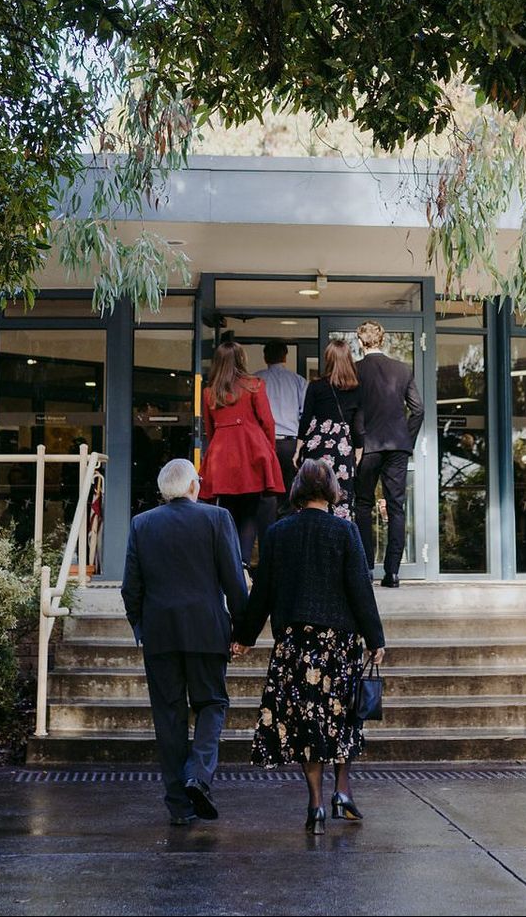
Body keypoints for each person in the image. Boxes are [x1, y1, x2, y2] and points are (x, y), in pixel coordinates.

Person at [232, 459, 386, 834]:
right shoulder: (345, 531)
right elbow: (359, 590)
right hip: (337, 644)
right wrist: (375, 638)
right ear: (332, 490)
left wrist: (245, 637)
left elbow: (263, 592)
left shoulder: (279, 533)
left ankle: (316, 803)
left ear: (298, 489)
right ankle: (344, 791)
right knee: (343, 718)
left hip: (295, 645)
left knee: (307, 724)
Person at [121, 458, 249, 826]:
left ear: (164, 491)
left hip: (160, 634)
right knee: (212, 703)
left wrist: (141, 627)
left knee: (168, 715)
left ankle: (179, 804)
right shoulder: (216, 518)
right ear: (195, 486)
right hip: (207, 630)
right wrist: (242, 632)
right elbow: (233, 582)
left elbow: (132, 587)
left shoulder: (141, 524)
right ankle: (198, 773)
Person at [349, 321, 423, 588]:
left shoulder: (356, 371)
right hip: (397, 446)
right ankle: (392, 572)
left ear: (360, 342)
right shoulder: (402, 369)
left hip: (367, 446)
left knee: (363, 504)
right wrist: (407, 439)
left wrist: (358, 443)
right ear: (382, 341)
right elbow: (419, 410)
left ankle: (366, 568)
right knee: (396, 507)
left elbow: (355, 412)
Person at [200, 342, 285, 566]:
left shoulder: (209, 392)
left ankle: (231, 560)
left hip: (221, 453)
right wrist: (268, 452)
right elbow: (267, 422)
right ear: (241, 360)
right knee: (250, 509)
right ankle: (243, 560)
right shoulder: (254, 386)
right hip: (252, 450)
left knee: (227, 507)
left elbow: (209, 429)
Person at [294, 339, 361, 520]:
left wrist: (298, 448)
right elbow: (357, 424)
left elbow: (306, 419)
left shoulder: (316, 385)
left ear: (328, 359)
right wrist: (359, 450)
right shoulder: (355, 388)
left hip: (318, 446)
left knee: (313, 495)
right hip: (342, 447)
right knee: (342, 499)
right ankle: (339, 542)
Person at [255, 340, 307, 515]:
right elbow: (305, 414)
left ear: (265, 357)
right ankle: (286, 535)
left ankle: (267, 534)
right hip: (290, 445)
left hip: (262, 443)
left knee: (264, 491)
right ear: (285, 357)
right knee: (289, 493)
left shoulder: (255, 381)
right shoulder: (298, 381)